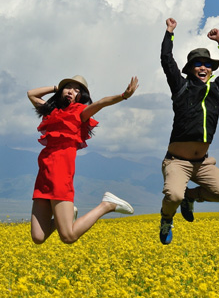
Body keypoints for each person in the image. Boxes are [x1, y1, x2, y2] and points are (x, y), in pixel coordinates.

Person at [28, 75, 137, 245]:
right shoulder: (51, 112)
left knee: (68, 237)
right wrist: (58, 87)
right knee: (38, 237)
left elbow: (101, 102)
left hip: (60, 174)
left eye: (77, 90)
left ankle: (107, 205)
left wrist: (123, 96)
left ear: (81, 97)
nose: (72, 91)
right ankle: (68, 213)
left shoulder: (80, 113)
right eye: (69, 87)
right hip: (43, 174)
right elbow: (31, 94)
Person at [158, 17, 219, 244]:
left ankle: (189, 197)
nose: (203, 67)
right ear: (191, 69)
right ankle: (166, 218)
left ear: (211, 70)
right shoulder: (181, 87)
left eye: (207, 64)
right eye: (197, 64)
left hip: (202, 163)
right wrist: (170, 32)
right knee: (173, 194)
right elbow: (166, 59)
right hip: (177, 161)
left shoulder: (217, 89)